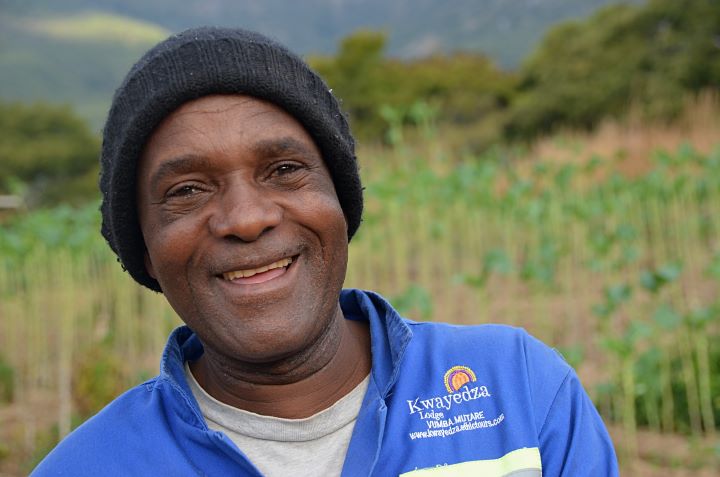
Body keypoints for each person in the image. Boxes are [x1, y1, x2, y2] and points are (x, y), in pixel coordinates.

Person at [32, 27, 618, 476]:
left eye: (285, 170)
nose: (247, 218)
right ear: (145, 251)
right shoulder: (87, 466)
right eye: (186, 191)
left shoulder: (518, 389)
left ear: (339, 202)